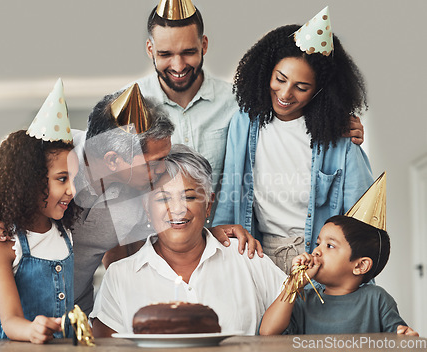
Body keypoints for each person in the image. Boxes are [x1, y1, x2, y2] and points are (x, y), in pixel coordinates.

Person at [0, 83, 261, 342]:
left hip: (68, 317)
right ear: (113, 161)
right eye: (154, 163)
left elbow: (129, 249)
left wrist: (206, 234)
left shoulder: (142, 188)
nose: (163, 170)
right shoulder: (49, 159)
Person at [136, 0, 365, 221]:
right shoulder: (126, 107)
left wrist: (342, 123)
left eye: (188, 52)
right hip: (151, 245)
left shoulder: (242, 103)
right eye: (165, 54)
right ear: (150, 49)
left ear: (204, 45)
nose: (178, 65)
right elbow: (108, 182)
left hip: (223, 246)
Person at [213, 8, 374, 274]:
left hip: (320, 261)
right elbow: (231, 191)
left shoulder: (339, 134)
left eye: (301, 87)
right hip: (259, 257)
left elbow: (362, 217)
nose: (285, 94)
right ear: (267, 72)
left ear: (320, 91)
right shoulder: (245, 122)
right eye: (280, 79)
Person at [90, 144, 286, 336]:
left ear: (208, 205)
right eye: (162, 199)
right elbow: (106, 346)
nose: (178, 209)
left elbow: (291, 307)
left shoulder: (245, 255)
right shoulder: (120, 275)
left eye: (189, 197)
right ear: (146, 208)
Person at [0, 79, 80, 343]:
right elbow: (10, 321)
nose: (72, 190)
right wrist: (32, 330)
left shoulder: (64, 234)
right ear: (30, 181)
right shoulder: (3, 242)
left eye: (74, 178)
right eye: (62, 179)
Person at [259, 215, 418, 336]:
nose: (316, 251)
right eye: (318, 243)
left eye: (329, 245)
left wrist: (406, 337)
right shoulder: (303, 299)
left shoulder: (377, 299)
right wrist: (294, 284)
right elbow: (267, 332)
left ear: (360, 265)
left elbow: (399, 338)